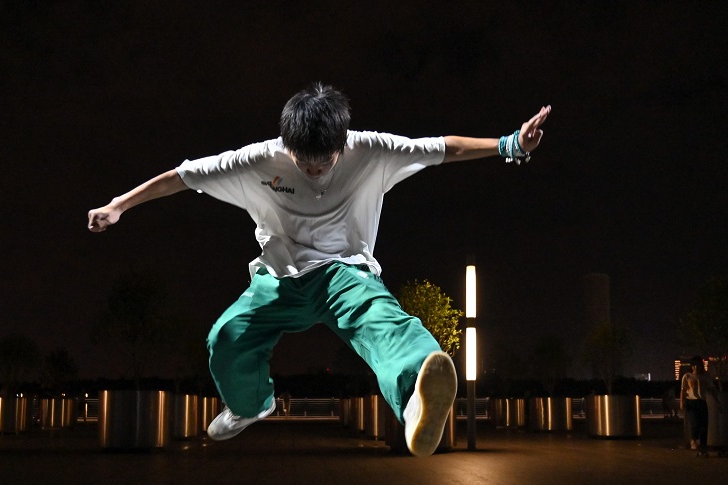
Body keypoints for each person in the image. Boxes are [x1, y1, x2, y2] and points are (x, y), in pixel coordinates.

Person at [88, 83, 551, 456]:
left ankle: (414, 401)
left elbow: (443, 148)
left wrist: (509, 144)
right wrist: (119, 205)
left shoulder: (371, 150)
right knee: (226, 338)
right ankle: (251, 403)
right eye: (302, 160)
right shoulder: (255, 160)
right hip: (279, 278)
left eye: (323, 161)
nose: (312, 171)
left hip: (344, 274)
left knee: (382, 320)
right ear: (285, 143)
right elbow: (181, 176)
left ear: (341, 145)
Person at [679, 356, 721, 457]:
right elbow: (683, 390)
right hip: (691, 402)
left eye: (698, 365)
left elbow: (712, 390)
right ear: (691, 366)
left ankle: (703, 449)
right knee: (695, 423)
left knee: (704, 426)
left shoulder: (705, 377)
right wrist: (681, 402)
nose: (696, 367)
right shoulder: (687, 376)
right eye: (694, 365)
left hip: (701, 402)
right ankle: (693, 439)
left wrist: (718, 402)